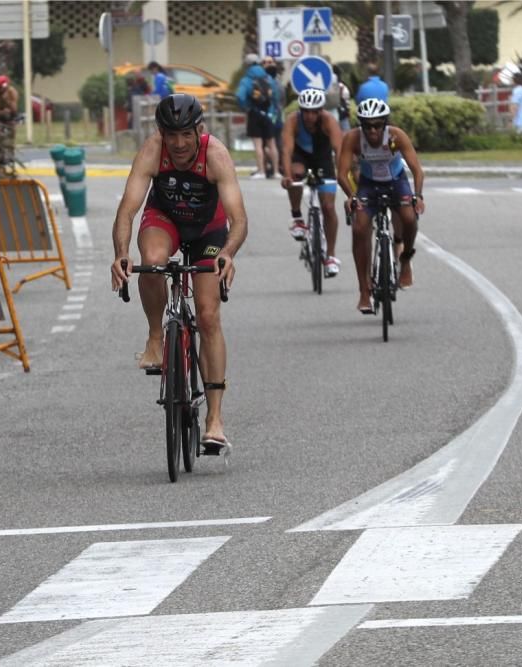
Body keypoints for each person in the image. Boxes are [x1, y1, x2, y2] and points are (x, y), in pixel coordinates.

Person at [110, 94, 248, 453]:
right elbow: (127, 209)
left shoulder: (215, 155)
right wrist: (121, 254)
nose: (180, 143)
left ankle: (214, 420)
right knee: (152, 261)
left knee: (207, 314)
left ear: (199, 130)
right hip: (165, 220)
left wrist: (228, 254)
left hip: (209, 231)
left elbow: (239, 219)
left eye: (187, 134)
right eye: (172, 135)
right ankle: (157, 337)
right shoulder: (153, 151)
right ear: (161, 133)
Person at [337, 98, 425, 314]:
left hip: (396, 181)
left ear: (385, 124)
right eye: (367, 126)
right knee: (359, 228)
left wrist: (418, 195)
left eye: (377, 125)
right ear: (361, 125)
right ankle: (364, 291)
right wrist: (351, 196)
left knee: (408, 218)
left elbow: (417, 170)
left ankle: (405, 260)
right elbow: (341, 173)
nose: (373, 131)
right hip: (368, 185)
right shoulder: (353, 139)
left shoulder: (396, 136)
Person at [280, 87, 345, 278]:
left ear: (321, 110)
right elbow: (287, 150)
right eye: (305, 111)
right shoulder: (293, 121)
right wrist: (287, 176)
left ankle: (331, 256)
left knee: (328, 207)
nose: (309, 116)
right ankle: (298, 218)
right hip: (301, 157)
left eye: (314, 111)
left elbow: (339, 149)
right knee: (295, 174)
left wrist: (341, 173)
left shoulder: (329, 121)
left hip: (323, 159)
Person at [236, 54, 279, 179]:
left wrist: (245, 107)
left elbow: (240, 96)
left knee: (258, 144)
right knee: (272, 143)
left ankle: (261, 171)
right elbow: (274, 95)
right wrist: (273, 110)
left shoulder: (246, 80)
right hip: (269, 113)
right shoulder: (268, 77)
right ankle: (276, 171)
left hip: (254, 113)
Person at [333, 65, 352, 131]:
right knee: (346, 135)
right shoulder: (343, 87)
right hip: (342, 115)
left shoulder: (326, 87)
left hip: (331, 115)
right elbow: (347, 103)